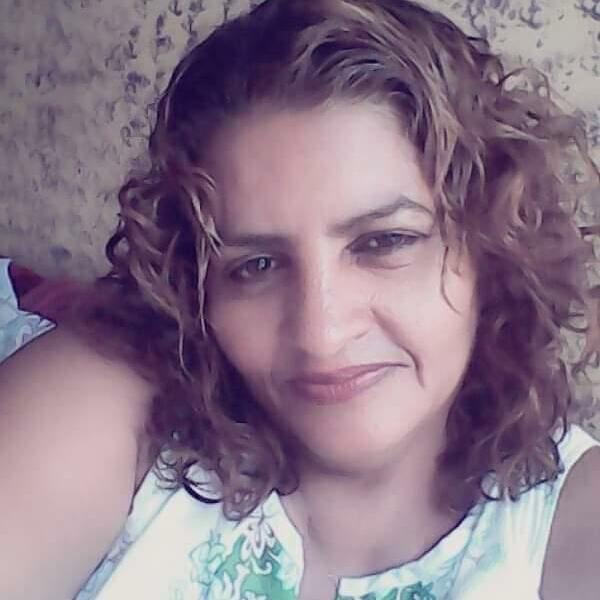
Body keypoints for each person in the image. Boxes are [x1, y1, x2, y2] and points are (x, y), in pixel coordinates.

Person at [1, 0, 599, 598]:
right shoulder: (108, 405)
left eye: (385, 242)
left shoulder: (570, 525)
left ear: (492, 247)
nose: (321, 333)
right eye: (256, 266)